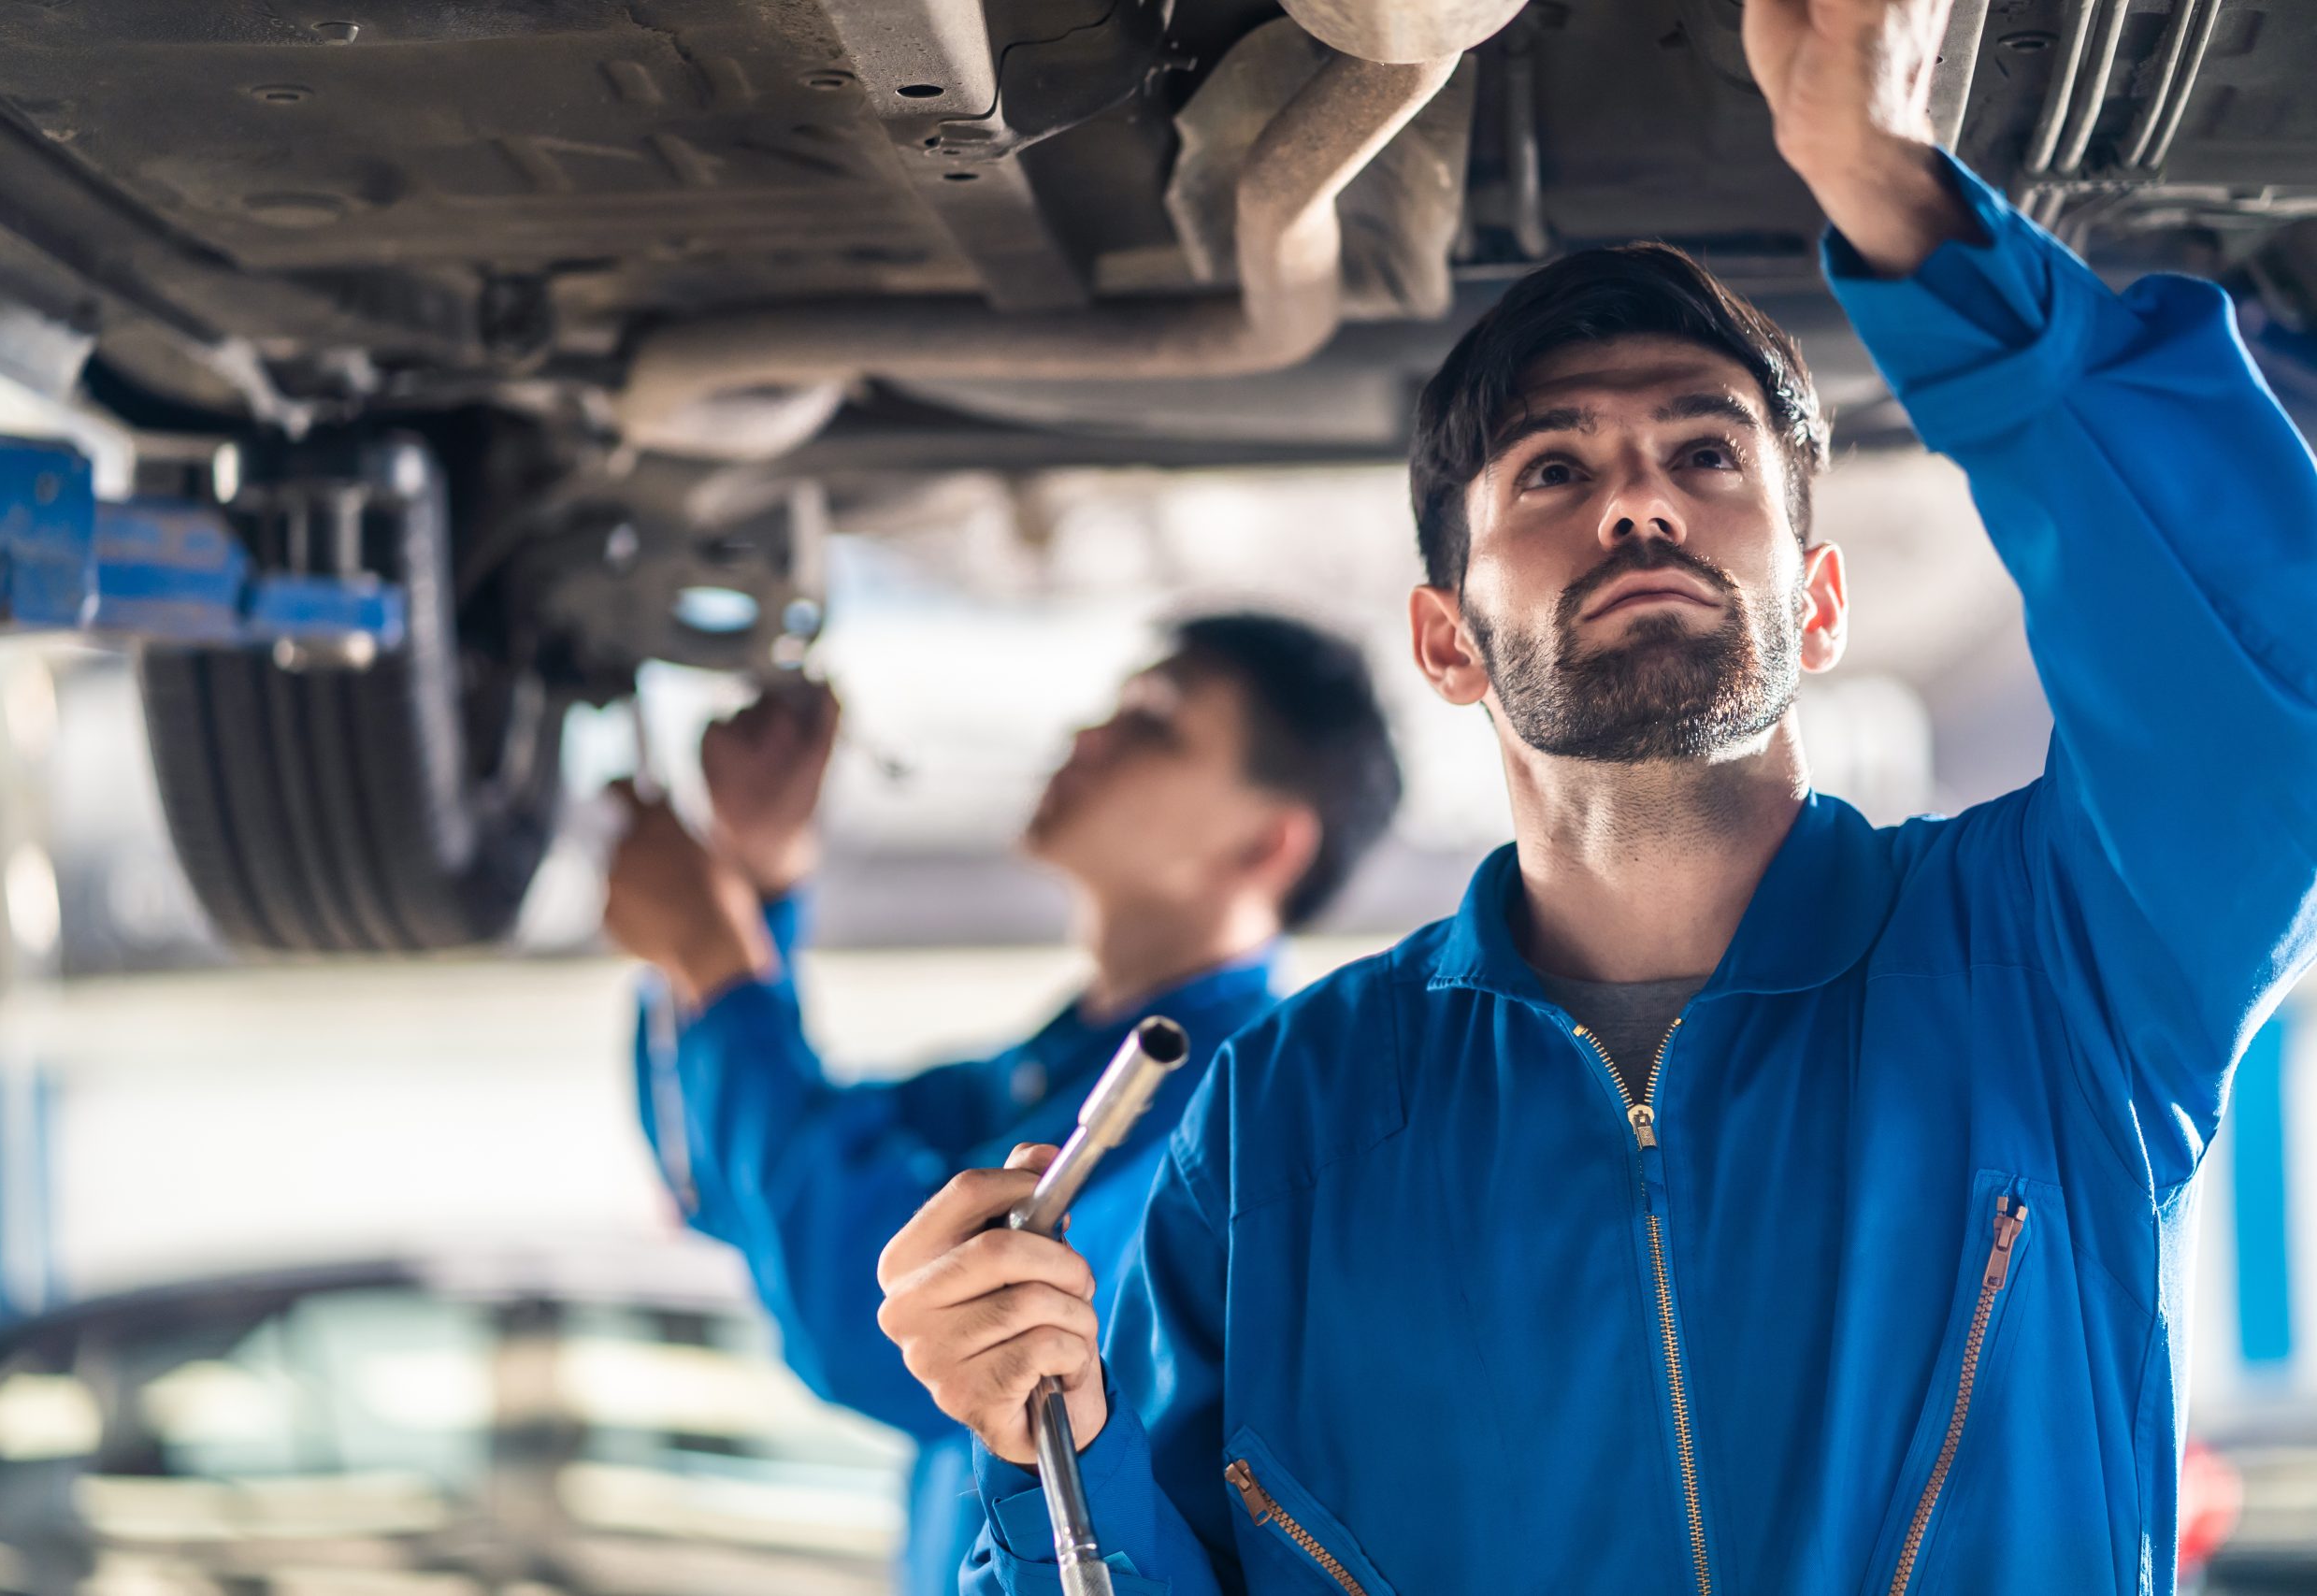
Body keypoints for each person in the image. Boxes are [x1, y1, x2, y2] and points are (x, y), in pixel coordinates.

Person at [871, 0, 2317, 1589]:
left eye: (1710, 455)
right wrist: (1027, 1448)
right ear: (1447, 639)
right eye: (1552, 470)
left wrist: (1895, 195)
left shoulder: (2061, 971)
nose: (1639, 498)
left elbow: (2268, 692)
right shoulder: (1287, 1117)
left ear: (1818, 602)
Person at [601, 611, 1402, 1596]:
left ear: (1266, 843)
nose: (1086, 735)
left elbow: (875, 1322)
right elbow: (729, 1185)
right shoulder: (1048, 1073)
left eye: (1152, 725)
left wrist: (719, 964)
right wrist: (755, 880)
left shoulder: (1226, 1114)